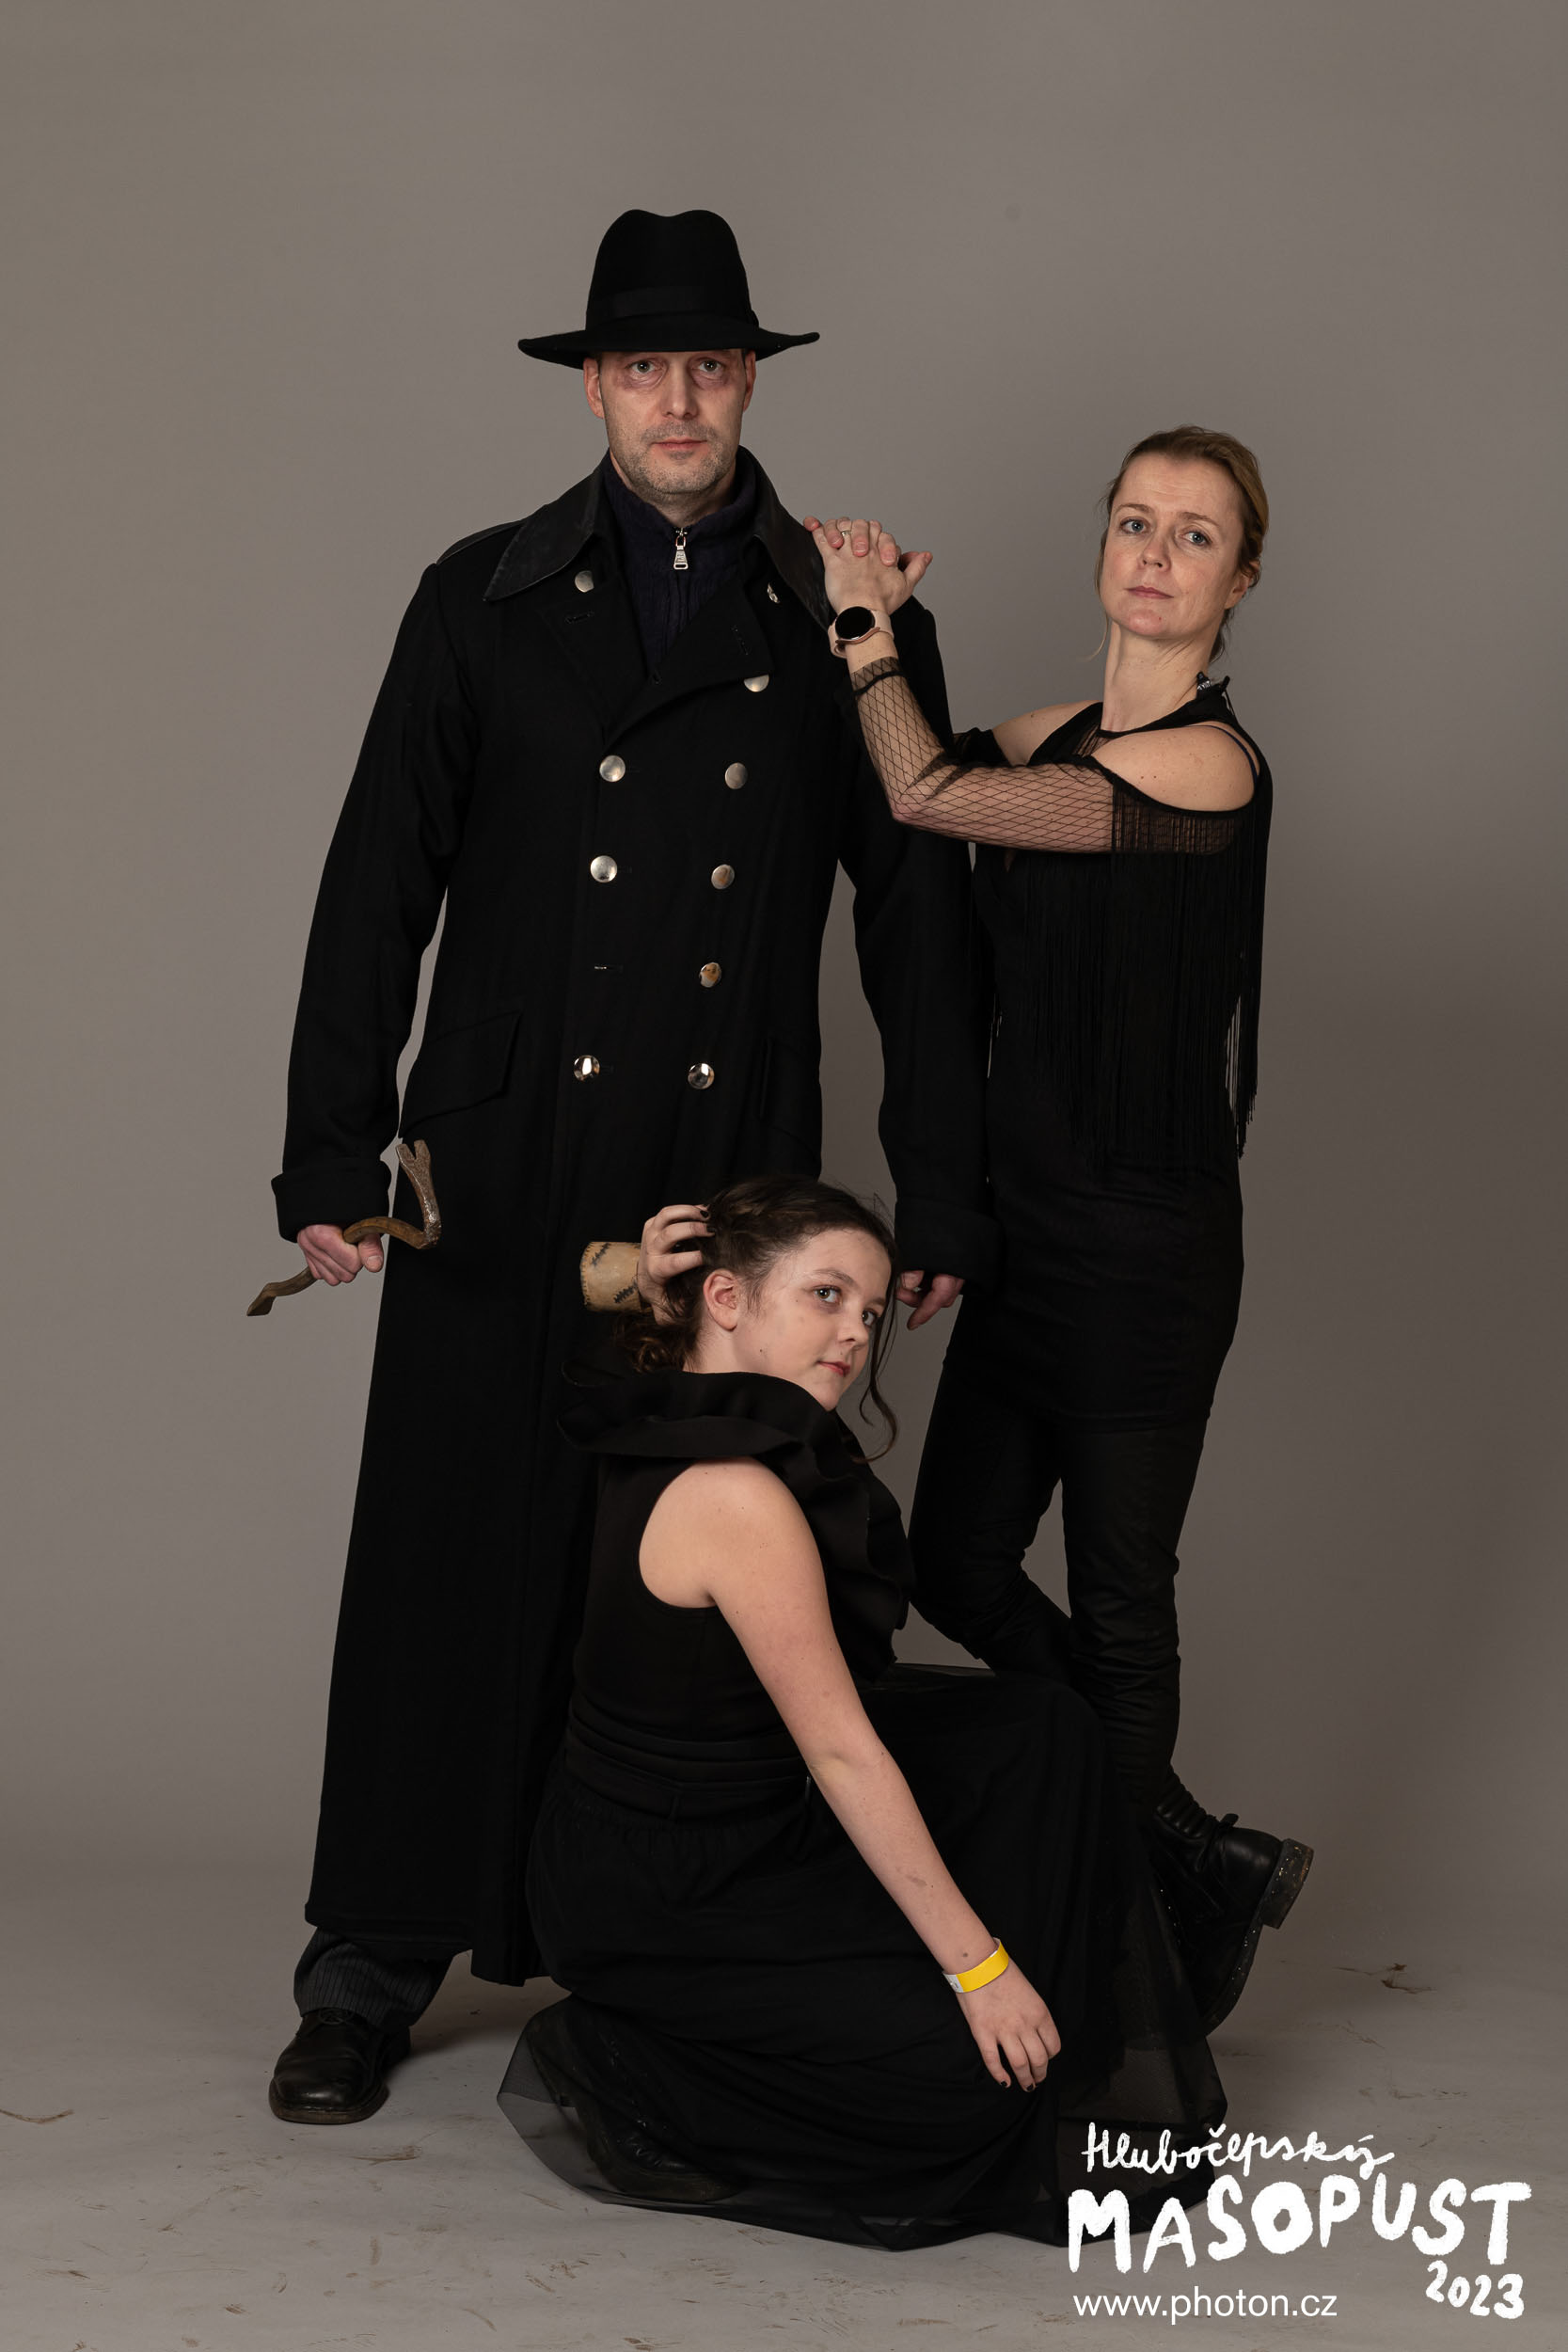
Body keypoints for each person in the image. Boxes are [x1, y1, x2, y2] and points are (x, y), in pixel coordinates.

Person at [264, 210, 995, 2127]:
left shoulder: (846, 617)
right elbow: (375, 879)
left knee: (677, 1559)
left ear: (747, 384)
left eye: (710, 367)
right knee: (448, 1537)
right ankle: (371, 1957)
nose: (677, 401)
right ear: (591, 387)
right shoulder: (479, 597)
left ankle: (644, 1946)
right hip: (501, 1158)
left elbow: (915, 925)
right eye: (642, 368)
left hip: (726, 1155)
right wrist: (331, 1142)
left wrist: (936, 1183)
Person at [804, 428, 1310, 2031]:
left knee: (1118, 1601)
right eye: (1135, 522)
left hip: (1147, 1253)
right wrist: (880, 626)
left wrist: (863, 623)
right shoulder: (1050, 736)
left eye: (1195, 536)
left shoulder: (1207, 768)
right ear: (1103, 546)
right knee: (954, 1557)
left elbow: (920, 787)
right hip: (1027, 1235)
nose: (1155, 554)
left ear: (1238, 582)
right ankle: (1187, 1845)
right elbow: (906, 786)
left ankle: (1137, 1937)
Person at [516, 1177, 1222, 2248]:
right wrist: (979, 1972)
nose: (854, 1332)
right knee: (974, 2089)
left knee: (1040, 1730)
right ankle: (634, 2049)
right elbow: (843, 1754)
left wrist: (641, 1283)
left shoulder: (666, 1397)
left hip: (735, 1817)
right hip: (667, 1888)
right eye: (826, 1295)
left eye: (870, 1309)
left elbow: (652, 1315)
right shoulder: (733, 1493)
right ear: (724, 1298)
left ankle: (1080, 1964)